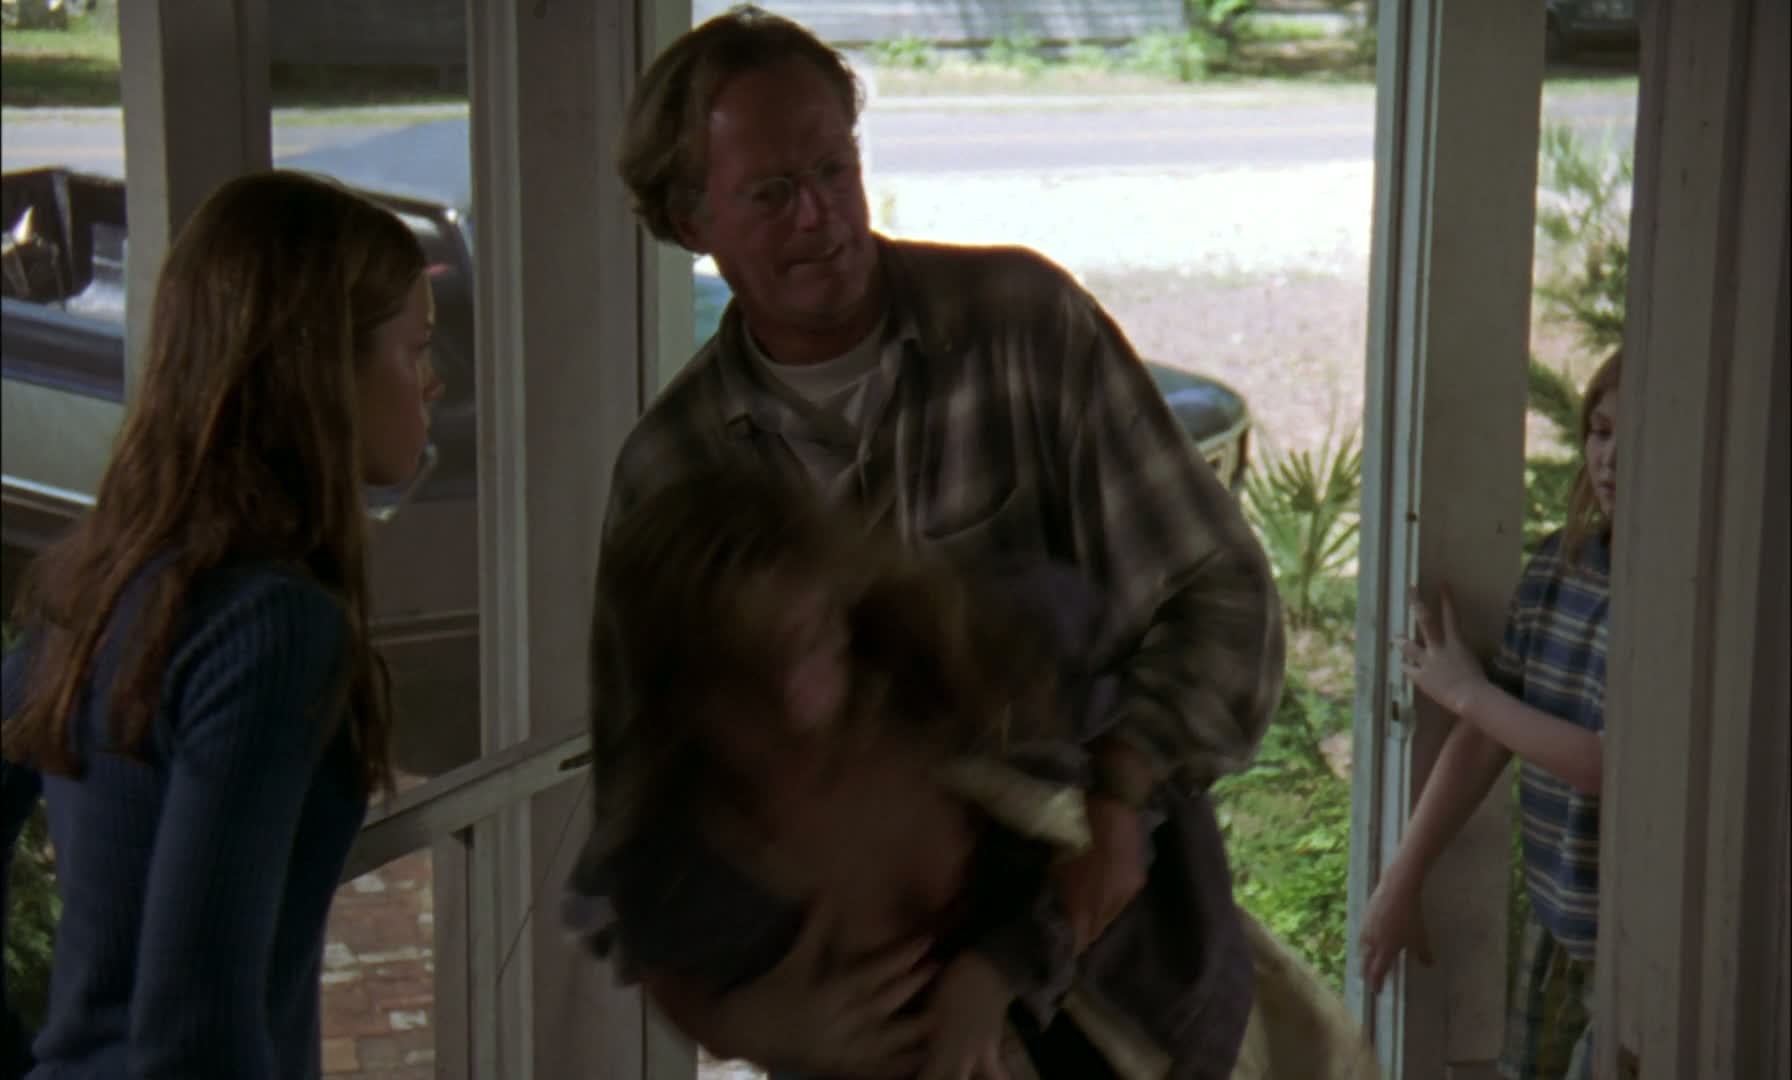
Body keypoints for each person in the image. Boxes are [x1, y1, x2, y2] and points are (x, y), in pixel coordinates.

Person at [567, 7, 1288, 1074]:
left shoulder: (1022, 326)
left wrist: (1122, 788)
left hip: (1116, 994)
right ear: (689, 217)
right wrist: (756, 1027)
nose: (822, 214)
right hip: (870, 1038)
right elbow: (641, 827)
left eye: (836, 168)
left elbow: (1220, 596)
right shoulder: (673, 472)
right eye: (772, 191)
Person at [577, 466, 1256, 1079]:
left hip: (1173, 1043)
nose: (791, 699)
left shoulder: (979, 657)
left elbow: (1129, 799)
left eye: (805, 644)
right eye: (746, 683)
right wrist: (738, 1026)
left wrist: (996, 971)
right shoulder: (681, 848)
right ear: (680, 704)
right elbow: (652, 950)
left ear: (836, 604)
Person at [0, 170, 444, 1078]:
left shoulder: (99, 580)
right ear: (325, 373)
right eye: (415, 350)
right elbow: (195, 1028)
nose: (432, 384)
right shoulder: (275, 627)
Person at [1360, 350, 1622, 1080]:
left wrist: (1467, 692)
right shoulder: (1559, 565)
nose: (1609, 457)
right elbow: (1484, 739)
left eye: (1636, 437)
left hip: (1637, 942)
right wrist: (1402, 878)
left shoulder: (1676, 594)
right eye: (1600, 431)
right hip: (1555, 922)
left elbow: (1608, 764)